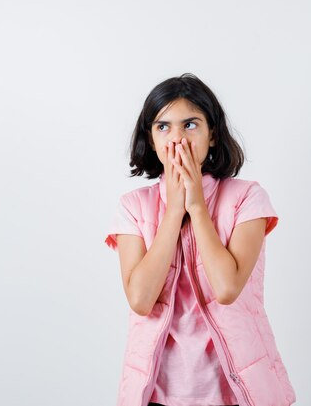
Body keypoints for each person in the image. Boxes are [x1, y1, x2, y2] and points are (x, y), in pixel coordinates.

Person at [104, 73, 297, 406]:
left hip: (236, 393)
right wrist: (174, 210)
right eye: (163, 127)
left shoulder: (247, 198)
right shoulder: (132, 206)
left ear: (212, 135)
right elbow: (140, 299)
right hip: (155, 395)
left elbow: (226, 288)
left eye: (190, 125)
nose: (176, 139)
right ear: (151, 139)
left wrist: (196, 205)